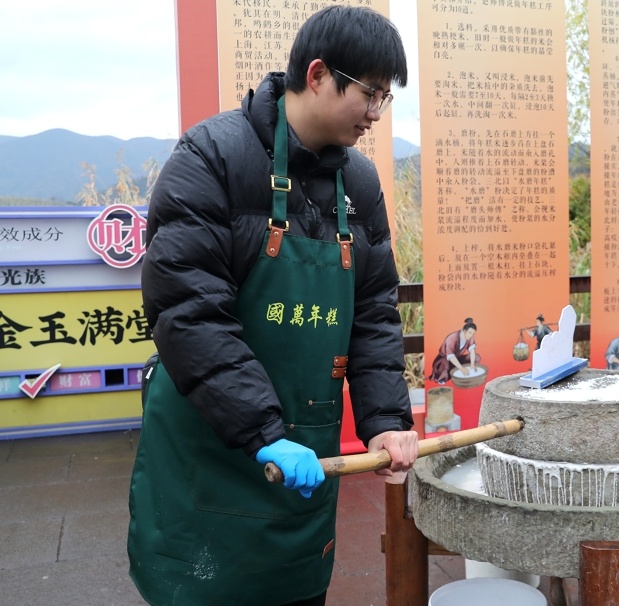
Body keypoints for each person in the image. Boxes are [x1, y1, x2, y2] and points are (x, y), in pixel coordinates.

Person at [127, 7, 419, 606]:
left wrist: (386, 421)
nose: (374, 113)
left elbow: (373, 315)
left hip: (303, 460)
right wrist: (261, 430)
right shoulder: (212, 158)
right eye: (369, 94)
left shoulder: (358, 186)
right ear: (317, 74)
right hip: (212, 446)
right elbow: (187, 312)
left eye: (383, 99)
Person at [428, 317, 480, 384]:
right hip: (444, 359)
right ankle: (442, 378)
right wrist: (462, 369)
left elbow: (472, 350)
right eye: (470, 333)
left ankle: (465, 372)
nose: (471, 335)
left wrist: (472, 364)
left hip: (457, 359)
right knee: (444, 364)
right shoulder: (452, 338)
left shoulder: (469, 337)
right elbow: (451, 357)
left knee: (476, 357)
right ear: (464, 331)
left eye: (472, 333)